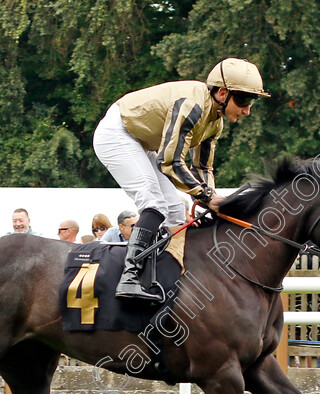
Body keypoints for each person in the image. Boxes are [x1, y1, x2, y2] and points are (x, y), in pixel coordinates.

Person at [93, 57, 269, 301]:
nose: (247, 110)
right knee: (154, 204)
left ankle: (169, 277)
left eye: (252, 101)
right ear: (222, 93)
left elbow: (203, 167)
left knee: (175, 210)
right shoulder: (193, 106)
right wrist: (207, 196)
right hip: (118, 133)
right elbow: (170, 162)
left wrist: (211, 199)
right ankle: (129, 277)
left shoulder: (215, 122)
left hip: (142, 141)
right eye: (244, 100)